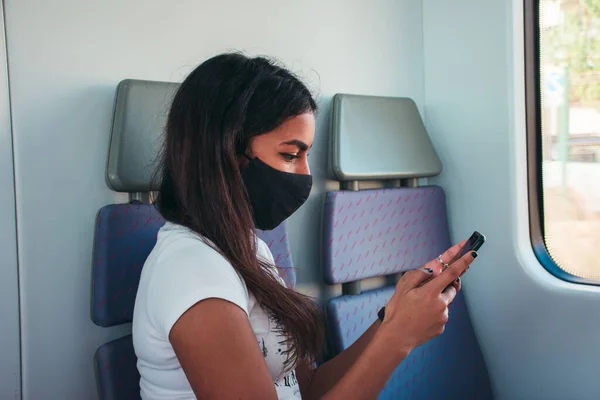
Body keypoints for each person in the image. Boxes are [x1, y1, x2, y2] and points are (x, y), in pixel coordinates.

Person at [132, 52, 477, 400]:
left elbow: (306, 389)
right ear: (227, 155)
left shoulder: (248, 248)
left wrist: (392, 316)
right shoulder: (191, 271)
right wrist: (399, 339)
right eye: (290, 155)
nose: (306, 175)